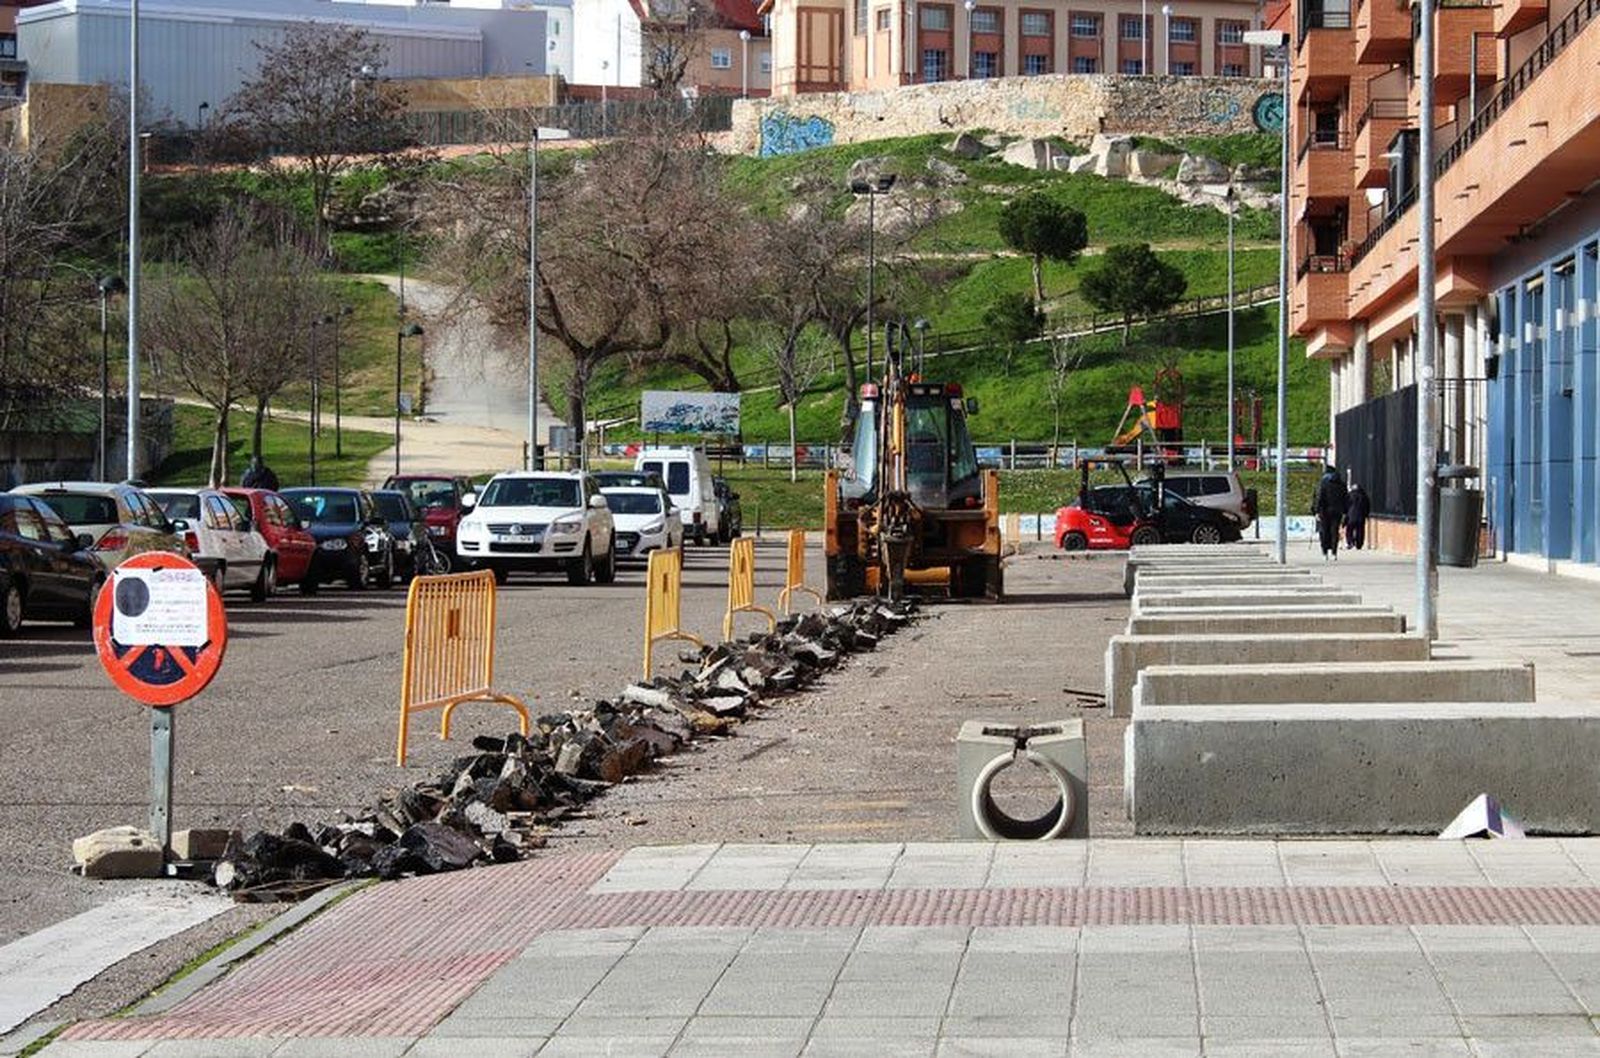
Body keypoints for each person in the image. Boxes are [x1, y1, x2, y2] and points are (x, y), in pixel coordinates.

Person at [1311, 464, 1348, 560]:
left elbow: (1319, 498)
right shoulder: (1342, 484)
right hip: (1337, 511)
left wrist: (1316, 511)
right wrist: (1345, 511)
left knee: (1324, 531)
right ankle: (1334, 553)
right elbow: (1346, 499)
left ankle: (1324, 552)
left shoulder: (1323, 484)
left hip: (1324, 511)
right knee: (1334, 531)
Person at [1345, 482, 1370, 551]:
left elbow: (1346, 505)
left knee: (1349, 530)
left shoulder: (1350, 495)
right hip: (1361, 516)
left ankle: (1350, 542)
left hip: (1351, 515)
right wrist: (1366, 514)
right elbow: (1367, 506)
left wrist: (1346, 513)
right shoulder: (1364, 496)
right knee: (1360, 530)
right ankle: (1359, 544)